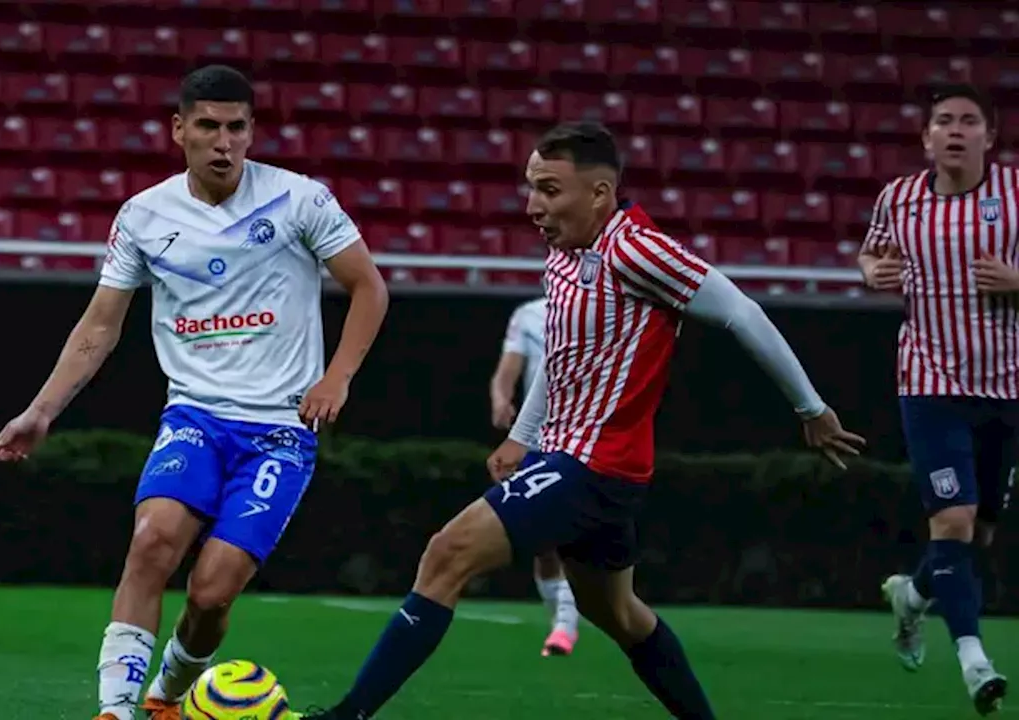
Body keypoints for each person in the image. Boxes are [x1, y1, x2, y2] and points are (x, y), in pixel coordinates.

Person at [296, 120, 865, 720]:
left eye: (548, 190)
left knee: (448, 551)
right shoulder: (565, 256)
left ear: (599, 194)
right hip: (579, 463)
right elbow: (563, 356)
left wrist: (812, 409)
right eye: (530, 188)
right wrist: (522, 437)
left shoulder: (637, 248)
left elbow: (741, 313)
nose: (533, 205)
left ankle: (347, 716)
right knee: (618, 614)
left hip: (594, 465)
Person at [0, 64, 389, 720]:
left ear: (253, 132)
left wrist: (337, 376)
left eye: (236, 127)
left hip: (281, 432)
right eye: (208, 126)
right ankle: (114, 711)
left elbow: (369, 287)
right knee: (150, 543)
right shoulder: (144, 216)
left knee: (210, 596)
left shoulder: (299, 201)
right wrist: (41, 410)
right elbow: (99, 326)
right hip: (195, 417)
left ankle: (165, 699)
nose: (223, 141)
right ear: (179, 130)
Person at [863, 83, 1014, 716]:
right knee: (951, 523)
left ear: (989, 136)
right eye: (944, 121)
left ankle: (914, 596)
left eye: (968, 121)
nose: (955, 130)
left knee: (974, 535)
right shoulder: (898, 199)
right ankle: (975, 663)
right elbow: (871, 256)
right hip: (928, 383)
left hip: (1007, 385)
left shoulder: (1014, 195)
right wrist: (872, 272)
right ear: (927, 138)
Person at [489, 296, 581, 657]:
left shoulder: (609, 308)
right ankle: (562, 620)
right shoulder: (529, 315)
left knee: (578, 537)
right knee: (544, 544)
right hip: (541, 438)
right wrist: (501, 399)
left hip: (591, 439)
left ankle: (565, 626)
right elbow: (508, 370)